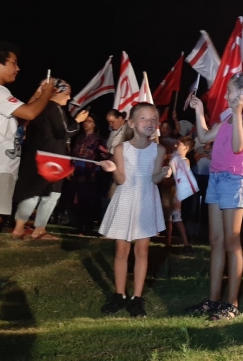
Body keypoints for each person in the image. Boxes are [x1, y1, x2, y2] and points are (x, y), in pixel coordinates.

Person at [0, 41, 55, 294]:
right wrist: (46, 94)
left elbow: (19, 119)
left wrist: (37, 96)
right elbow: (29, 114)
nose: (18, 68)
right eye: (13, 62)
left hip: (2, 164)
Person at [187, 73, 243, 320]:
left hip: (235, 180)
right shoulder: (227, 118)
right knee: (216, 240)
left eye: (230, 91)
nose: (225, 95)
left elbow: (238, 146)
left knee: (232, 242)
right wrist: (199, 110)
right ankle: (212, 300)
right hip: (216, 177)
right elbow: (202, 137)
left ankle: (231, 303)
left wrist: (237, 111)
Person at [98, 102, 170, 317]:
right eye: (143, 118)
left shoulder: (159, 149)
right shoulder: (121, 148)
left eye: (153, 119)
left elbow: (154, 178)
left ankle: (137, 298)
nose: (149, 123)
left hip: (146, 199)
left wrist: (164, 172)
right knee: (121, 250)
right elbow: (121, 179)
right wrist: (112, 169)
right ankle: (119, 294)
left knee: (142, 251)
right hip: (126, 198)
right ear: (131, 122)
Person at [11, 79, 89, 240]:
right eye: (67, 94)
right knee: (40, 192)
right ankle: (23, 228)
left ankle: (34, 228)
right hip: (49, 158)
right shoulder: (53, 107)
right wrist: (78, 121)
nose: (68, 99)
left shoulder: (40, 107)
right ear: (55, 93)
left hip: (47, 156)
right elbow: (65, 131)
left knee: (48, 193)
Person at [71, 112, 108, 234]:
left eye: (90, 121)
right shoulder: (79, 138)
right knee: (77, 198)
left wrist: (94, 171)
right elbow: (74, 154)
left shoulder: (99, 139)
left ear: (94, 124)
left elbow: (102, 155)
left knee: (88, 199)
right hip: (77, 169)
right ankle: (78, 225)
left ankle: (88, 225)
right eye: (85, 121)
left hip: (90, 171)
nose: (87, 124)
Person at [165, 135, 193, 252]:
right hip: (171, 190)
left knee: (176, 216)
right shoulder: (175, 158)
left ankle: (186, 243)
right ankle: (168, 242)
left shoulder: (185, 161)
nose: (176, 146)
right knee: (169, 217)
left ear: (186, 148)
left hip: (177, 191)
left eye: (179, 144)